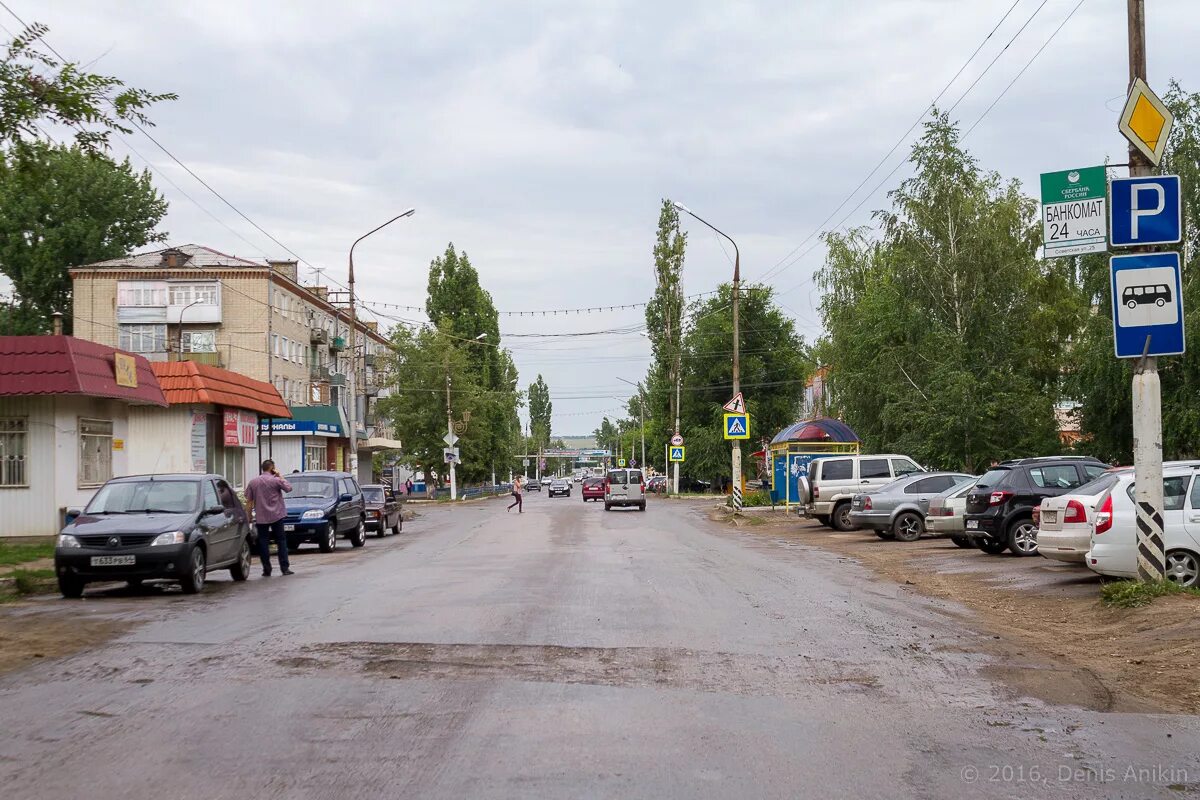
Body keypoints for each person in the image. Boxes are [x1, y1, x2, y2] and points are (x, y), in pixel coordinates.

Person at [244, 459, 294, 577]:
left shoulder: (253, 482)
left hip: (261, 517)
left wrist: (249, 516)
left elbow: (249, 501)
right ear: (272, 468)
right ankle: (284, 568)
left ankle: (266, 569)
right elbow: (289, 488)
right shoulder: (276, 480)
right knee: (281, 541)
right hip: (277, 515)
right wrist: (280, 476)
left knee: (263, 542)